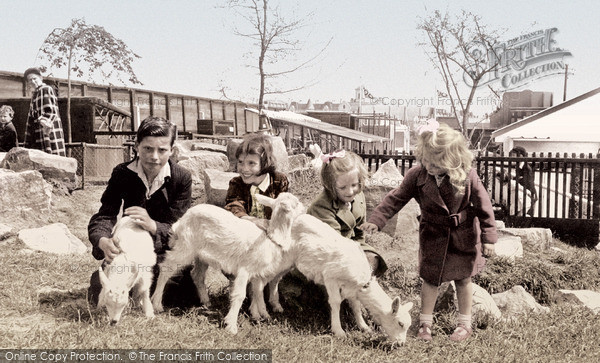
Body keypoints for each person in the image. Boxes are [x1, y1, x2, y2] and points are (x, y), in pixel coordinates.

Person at [361, 121, 497, 342]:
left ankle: (465, 324)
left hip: (462, 236)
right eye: (425, 160)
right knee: (430, 279)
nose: (429, 166)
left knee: (463, 279)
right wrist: (377, 219)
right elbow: (396, 198)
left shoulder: (467, 176)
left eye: (435, 163)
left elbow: (484, 207)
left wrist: (489, 238)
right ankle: (425, 323)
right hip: (433, 236)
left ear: (452, 160)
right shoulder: (417, 175)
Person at [87, 116, 196, 308]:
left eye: (162, 150)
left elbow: (179, 227)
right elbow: (105, 214)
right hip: (129, 251)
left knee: (177, 292)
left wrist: (152, 225)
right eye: (147, 148)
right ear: (136, 146)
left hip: (163, 252)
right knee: (100, 288)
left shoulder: (181, 178)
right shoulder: (122, 173)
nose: (154, 156)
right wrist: (102, 240)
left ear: (171, 150)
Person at [307, 149, 387, 276]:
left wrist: (362, 249)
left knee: (372, 259)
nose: (350, 192)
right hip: (325, 251)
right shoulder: (322, 206)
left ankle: (364, 283)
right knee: (344, 273)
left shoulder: (358, 196)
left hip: (349, 245)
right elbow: (334, 245)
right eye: (342, 187)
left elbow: (359, 231)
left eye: (354, 185)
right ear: (331, 185)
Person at [224, 133, 289, 229]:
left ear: (265, 163)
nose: (244, 169)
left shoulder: (279, 181)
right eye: (240, 162)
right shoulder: (237, 183)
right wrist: (253, 220)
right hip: (246, 231)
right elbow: (234, 206)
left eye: (251, 163)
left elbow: (285, 209)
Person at [23, 67, 66, 156]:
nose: (32, 82)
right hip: (38, 131)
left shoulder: (45, 89)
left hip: (47, 130)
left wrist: (43, 122)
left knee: (51, 155)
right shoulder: (36, 93)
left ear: (41, 78)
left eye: (34, 79)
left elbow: (50, 111)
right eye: (30, 80)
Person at [510, 146, 538, 216]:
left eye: (514, 155)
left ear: (521, 156)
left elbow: (528, 182)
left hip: (529, 195)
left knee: (525, 217)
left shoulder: (526, 168)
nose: (512, 157)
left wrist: (516, 179)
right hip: (522, 194)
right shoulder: (519, 166)